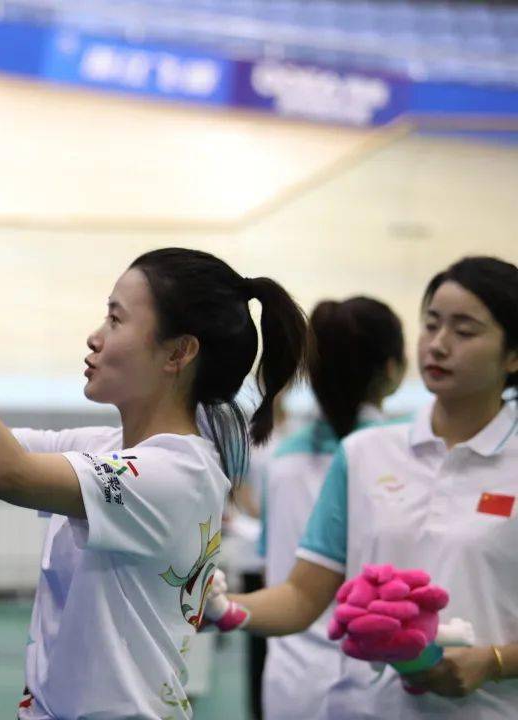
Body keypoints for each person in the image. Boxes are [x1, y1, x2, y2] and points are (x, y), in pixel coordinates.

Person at [0, 248, 308, 719]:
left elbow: (4, 470)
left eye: (116, 320)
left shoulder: (176, 473)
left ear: (179, 352)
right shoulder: (106, 445)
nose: (95, 337)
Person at [207, 256, 518, 719]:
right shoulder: (364, 453)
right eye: (431, 325)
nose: (439, 344)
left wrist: (492, 663)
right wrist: (215, 607)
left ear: (513, 354)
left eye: (465, 331)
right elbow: (301, 596)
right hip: (364, 708)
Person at [257, 296, 405, 719]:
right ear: (392, 370)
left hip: (291, 680)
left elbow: (273, 560)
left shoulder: (281, 460)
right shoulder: (402, 454)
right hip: (377, 679)